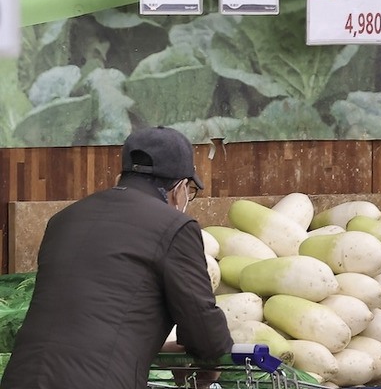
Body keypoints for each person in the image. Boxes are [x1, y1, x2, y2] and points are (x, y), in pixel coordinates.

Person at [0, 126, 234, 389]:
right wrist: (210, 362)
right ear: (179, 189)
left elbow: (89, 315)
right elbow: (203, 326)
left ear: (122, 175)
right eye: (189, 190)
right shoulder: (175, 227)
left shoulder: (63, 220)